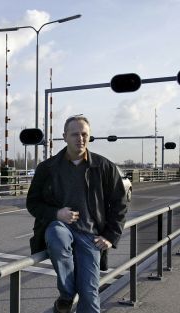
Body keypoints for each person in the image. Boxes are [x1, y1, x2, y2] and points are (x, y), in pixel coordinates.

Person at [26, 115, 127, 313]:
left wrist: (110, 235)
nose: (80, 138)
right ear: (64, 136)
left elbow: (120, 203)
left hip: (91, 236)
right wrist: (56, 214)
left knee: (89, 297)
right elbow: (32, 203)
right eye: (75, 134)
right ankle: (66, 295)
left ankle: (66, 300)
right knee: (57, 236)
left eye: (84, 134)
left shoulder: (104, 167)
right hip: (60, 227)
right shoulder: (47, 168)